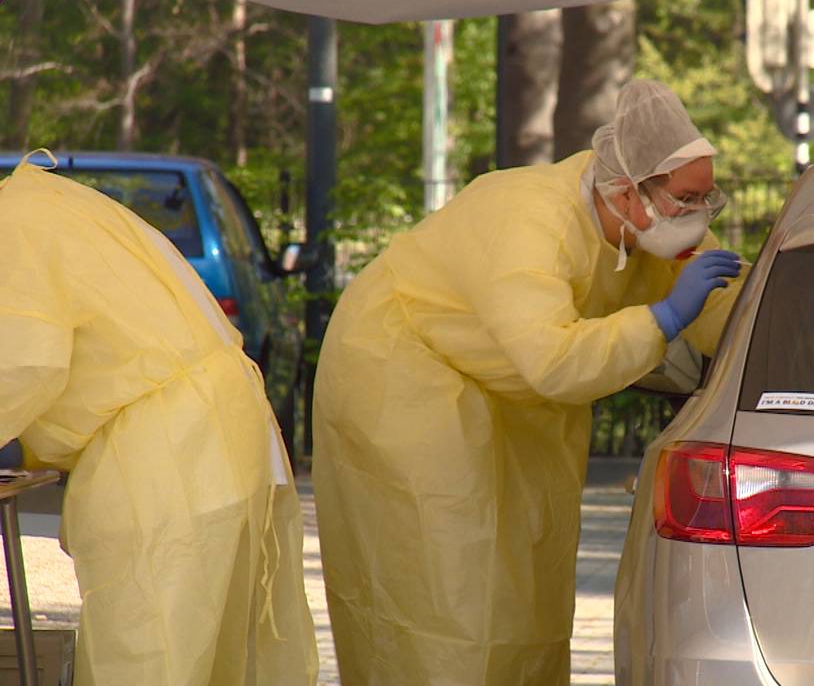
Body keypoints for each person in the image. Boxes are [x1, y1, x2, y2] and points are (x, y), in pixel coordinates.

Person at [312, 79, 746, 685]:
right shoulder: (532, 221)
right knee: (444, 584)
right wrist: (664, 318)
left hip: (506, 384)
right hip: (406, 369)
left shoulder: (645, 217)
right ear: (626, 191)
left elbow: (724, 309)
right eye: (687, 199)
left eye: (706, 198)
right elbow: (553, 360)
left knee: (526, 579)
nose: (699, 215)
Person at [0, 153, 318, 685]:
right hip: (217, 431)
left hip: (168, 453)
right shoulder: (48, 205)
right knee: (214, 659)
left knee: (149, 657)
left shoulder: (15, 227)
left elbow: (22, 362)